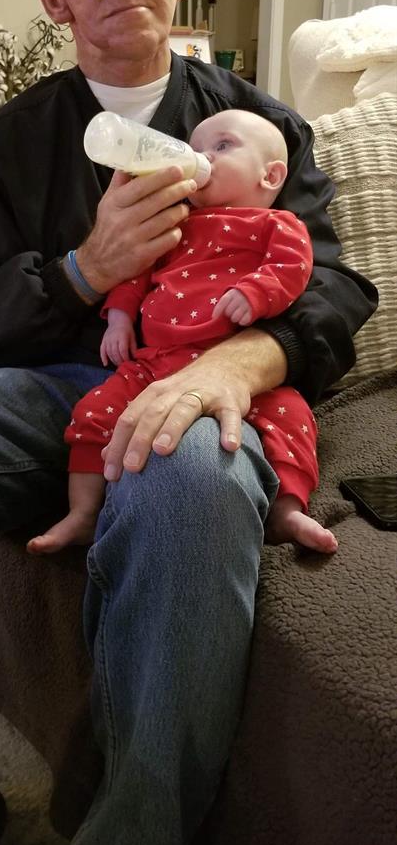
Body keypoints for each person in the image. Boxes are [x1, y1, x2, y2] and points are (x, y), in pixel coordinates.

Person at [0, 0, 377, 845]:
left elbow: (334, 282)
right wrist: (78, 273)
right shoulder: (6, 149)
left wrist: (241, 361)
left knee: (185, 471)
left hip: (194, 381)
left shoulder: (257, 126)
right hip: (42, 393)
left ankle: (133, 823)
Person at [31, 109, 338, 557]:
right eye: (196, 149)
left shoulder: (277, 224)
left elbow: (293, 267)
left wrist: (257, 293)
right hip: (155, 364)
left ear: (270, 175)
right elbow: (134, 275)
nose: (201, 159)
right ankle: (83, 512)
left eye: (222, 146)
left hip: (232, 364)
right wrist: (118, 319)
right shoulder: (173, 223)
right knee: (94, 411)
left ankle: (288, 508)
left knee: (293, 417)